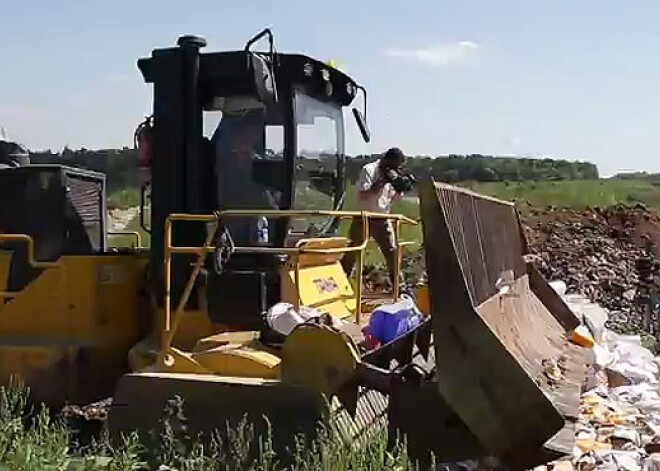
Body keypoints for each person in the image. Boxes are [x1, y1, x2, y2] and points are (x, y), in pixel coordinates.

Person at [341, 147, 409, 285]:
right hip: (364, 218)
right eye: (393, 165)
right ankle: (341, 280)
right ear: (386, 160)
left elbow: (396, 198)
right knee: (352, 251)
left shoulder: (393, 174)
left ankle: (398, 287)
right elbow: (363, 194)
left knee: (392, 253)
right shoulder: (369, 170)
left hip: (382, 219)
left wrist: (400, 185)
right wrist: (382, 181)